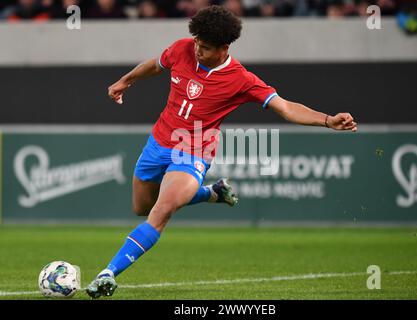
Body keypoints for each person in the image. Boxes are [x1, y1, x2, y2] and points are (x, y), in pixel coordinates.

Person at [86, 4, 357, 299]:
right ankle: (212, 193)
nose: (197, 50)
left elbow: (286, 108)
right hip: (157, 143)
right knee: (140, 207)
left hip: (192, 152)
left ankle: (107, 274)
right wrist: (126, 81)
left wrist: (328, 120)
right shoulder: (182, 49)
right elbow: (155, 65)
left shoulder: (241, 79)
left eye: (204, 47)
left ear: (224, 47)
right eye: (197, 43)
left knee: (160, 212)